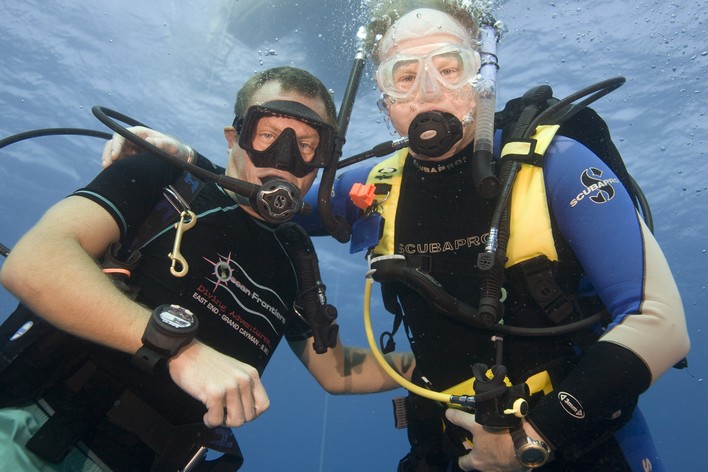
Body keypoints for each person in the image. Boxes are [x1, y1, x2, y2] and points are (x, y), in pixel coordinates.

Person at [100, 2, 690, 471]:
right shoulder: (374, 183)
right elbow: (261, 192)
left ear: (481, 78)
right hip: (444, 450)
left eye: (448, 67)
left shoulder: (556, 163)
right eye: (404, 76)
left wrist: (535, 438)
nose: (428, 91)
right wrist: (176, 158)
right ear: (384, 100)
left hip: (578, 448)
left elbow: (659, 322)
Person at [0, 65, 414, 472]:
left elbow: (337, 371)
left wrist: (434, 364)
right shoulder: (165, 174)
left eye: (306, 145)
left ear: (324, 158)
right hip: (25, 424)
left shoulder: (296, 254)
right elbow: (35, 262)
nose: (284, 159)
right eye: (267, 134)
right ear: (235, 138)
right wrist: (182, 351)